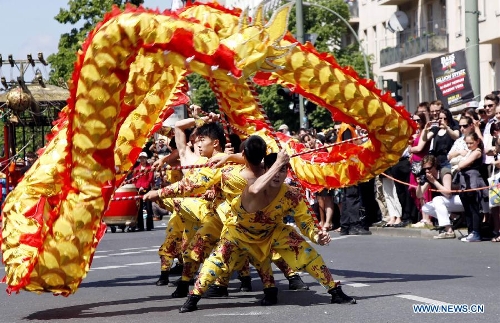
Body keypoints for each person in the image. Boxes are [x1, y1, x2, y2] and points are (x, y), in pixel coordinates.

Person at [178, 149, 356, 313]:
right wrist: (277, 162)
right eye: (274, 170)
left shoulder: (291, 194)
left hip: (271, 232)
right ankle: (193, 297)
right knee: (215, 263)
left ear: (287, 172)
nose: (278, 175)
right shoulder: (250, 188)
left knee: (307, 252)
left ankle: (334, 290)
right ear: (266, 170)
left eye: (282, 170)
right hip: (239, 232)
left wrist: (318, 236)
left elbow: (306, 223)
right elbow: (255, 187)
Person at [417, 155, 463, 239]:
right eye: (424, 169)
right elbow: (419, 195)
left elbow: (448, 193)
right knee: (426, 208)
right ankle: (454, 217)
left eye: (429, 168)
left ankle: (449, 230)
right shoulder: (429, 177)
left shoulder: (444, 172)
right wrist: (419, 184)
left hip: (461, 199)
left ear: (435, 166)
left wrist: (434, 181)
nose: (427, 171)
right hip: (451, 201)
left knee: (437, 200)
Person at [457, 133, 488, 242]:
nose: (469, 145)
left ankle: (476, 232)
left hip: (473, 182)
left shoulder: (477, 152)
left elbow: (461, 165)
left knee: (474, 208)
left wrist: (461, 162)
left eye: (471, 143)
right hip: (465, 182)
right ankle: (470, 231)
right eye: (467, 143)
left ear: (477, 141)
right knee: (467, 209)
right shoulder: (470, 152)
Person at [133, 151, 154, 231]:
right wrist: (137, 187)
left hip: (147, 188)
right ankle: (140, 226)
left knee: (149, 207)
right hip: (138, 189)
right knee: (139, 208)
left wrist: (144, 187)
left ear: (146, 159)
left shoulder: (150, 168)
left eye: (144, 158)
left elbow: (150, 179)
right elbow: (134, 179)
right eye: (141, 158)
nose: (142, 160)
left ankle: (149, 226)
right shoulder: (136, 169)